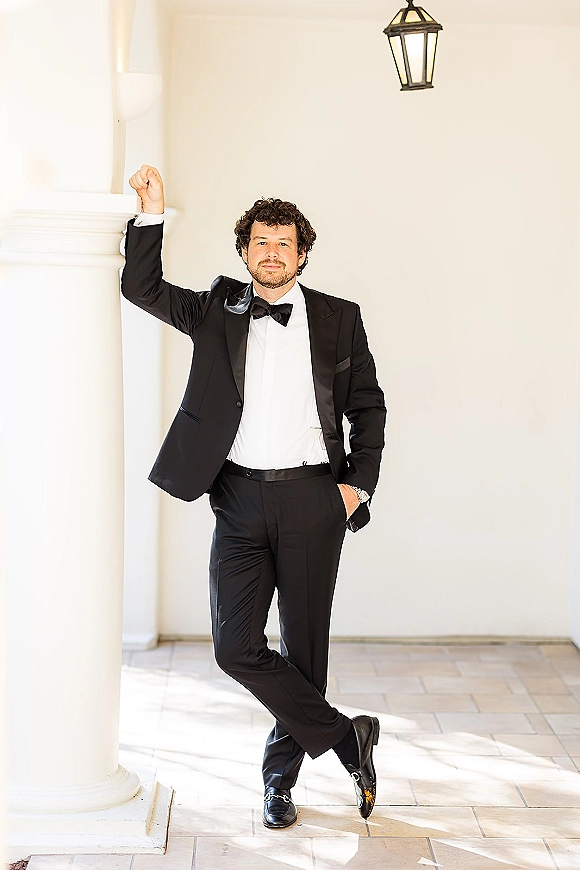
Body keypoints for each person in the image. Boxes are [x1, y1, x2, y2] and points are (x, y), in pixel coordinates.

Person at [122, 165, 387, 828]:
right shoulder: (216, 308)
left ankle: (279, 781)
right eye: (260, 242)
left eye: (284, 243)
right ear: (244, 252)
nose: (272, 252)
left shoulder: (338, 319)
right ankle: (345, 736)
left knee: (304, 653)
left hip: (312, 500)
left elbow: (368, 406)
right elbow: (141, 287)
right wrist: (151, 213)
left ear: (302, 253)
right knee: (234, 646)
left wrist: (357, 485)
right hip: (237, 499)